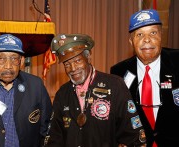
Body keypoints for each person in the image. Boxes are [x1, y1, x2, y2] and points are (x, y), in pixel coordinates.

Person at [44, 34, 146, 147]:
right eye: (67, 64)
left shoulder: (115, 85)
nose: (72, 69)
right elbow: (54, 138)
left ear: (88, 58)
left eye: (77, 61)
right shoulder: (62, 93)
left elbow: (134, 136)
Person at [110, 9, 179, 146]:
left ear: (161, 35)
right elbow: (116, 118)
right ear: (131, 41)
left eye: (153, 33)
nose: (147, 39)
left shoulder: (177, 61)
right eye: (140, 34)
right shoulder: (118, 72)